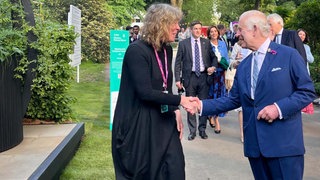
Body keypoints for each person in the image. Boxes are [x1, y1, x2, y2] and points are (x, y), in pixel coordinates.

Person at [188, 10, 316, 179]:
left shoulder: (288, 55)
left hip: (284, 147)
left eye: (240, 29)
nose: (237, 33)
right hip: (255, 148)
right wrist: (201, 105)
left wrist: (278, 109)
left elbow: (307, 91)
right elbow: (233, 99)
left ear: (255, 29)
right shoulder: (244, 65)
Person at [112, 4, 193, 179]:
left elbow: (166, 85)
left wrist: (174, 110)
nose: (179, 27)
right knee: (147, 173)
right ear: (161, 23)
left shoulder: (167, 50)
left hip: (163, 118)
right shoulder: (136, 51)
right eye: (175, 23)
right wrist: (180, 101)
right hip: (139, 123)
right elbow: (145, 92)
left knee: (175, 168)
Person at [174, 20, 217, 140]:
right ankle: (192, 131)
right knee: (190, 104)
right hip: (190, 78)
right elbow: (178, 63)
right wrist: (178, 79)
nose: (198, 31)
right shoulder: (183, 44)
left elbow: (214, 58)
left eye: (199, 28)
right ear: (191, 30)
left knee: (203, 104)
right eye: (195, 29)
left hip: (204, 77)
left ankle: (202, 129)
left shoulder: (206, 43)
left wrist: (213, 67)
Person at [206, 25, 230, 134]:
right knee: (211, 95)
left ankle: (216, 119)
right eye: (211, 32)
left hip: (221, 74)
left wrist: (225, 71)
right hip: (211, 74)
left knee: (220, 96)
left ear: (218, 33)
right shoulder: (206, 44)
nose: (214, 33)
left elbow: (227, 60)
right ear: (209, 34)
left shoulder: (222, 44)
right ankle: (211, 115)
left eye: (215, 31)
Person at [230, 31, 252, 143]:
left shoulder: (256, 47)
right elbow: (231, 61)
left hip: (253, 80)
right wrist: (236, 61)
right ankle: (242, 133)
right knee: (241, 108)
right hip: (242, 78)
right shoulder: (238, 46)